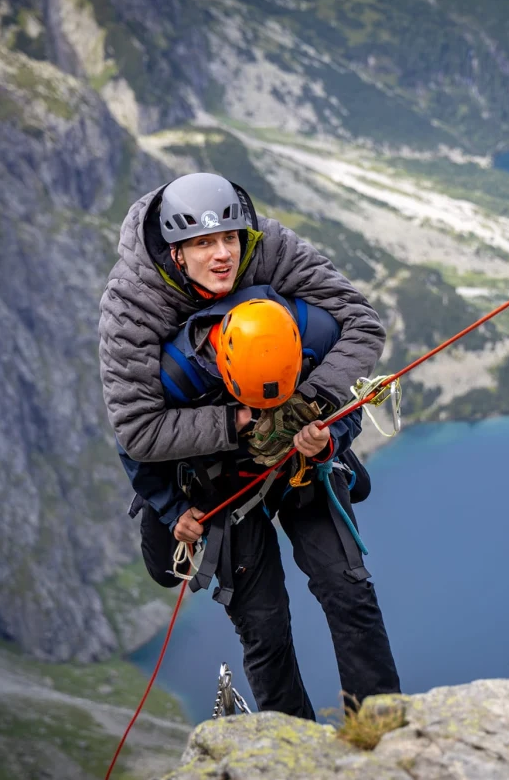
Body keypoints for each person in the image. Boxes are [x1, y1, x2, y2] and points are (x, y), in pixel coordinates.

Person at [118, 285, 400, 720]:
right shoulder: (176, 372)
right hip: (224, 489)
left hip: (302, 471)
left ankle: (381, 727)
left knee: (348, 589)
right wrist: (174, 511)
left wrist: (327, 443)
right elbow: (136, 444)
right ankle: (293, 747)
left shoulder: (318, 333)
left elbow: (348, 400)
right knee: (264, 628)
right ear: (223, 368)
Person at [98, 172, 386, 466]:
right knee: (174, 369)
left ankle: (316, 458)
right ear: (177, 253)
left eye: (229, 238)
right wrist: (234, 421)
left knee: (321, 324)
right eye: (203, 243)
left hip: (290, 393)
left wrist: (309, 402)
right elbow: (136, 430)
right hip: (206, 434)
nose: (223, 254)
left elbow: (363, 323)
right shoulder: (132, 298)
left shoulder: (270, 247)